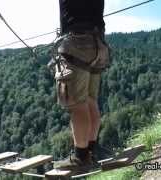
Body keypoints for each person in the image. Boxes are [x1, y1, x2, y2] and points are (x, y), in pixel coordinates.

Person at [51, 0, 111, 172]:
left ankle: (80, 157)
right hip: (98, 43)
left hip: (77, 43)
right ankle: (91, 149)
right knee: (91, 100)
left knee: (78, 105)